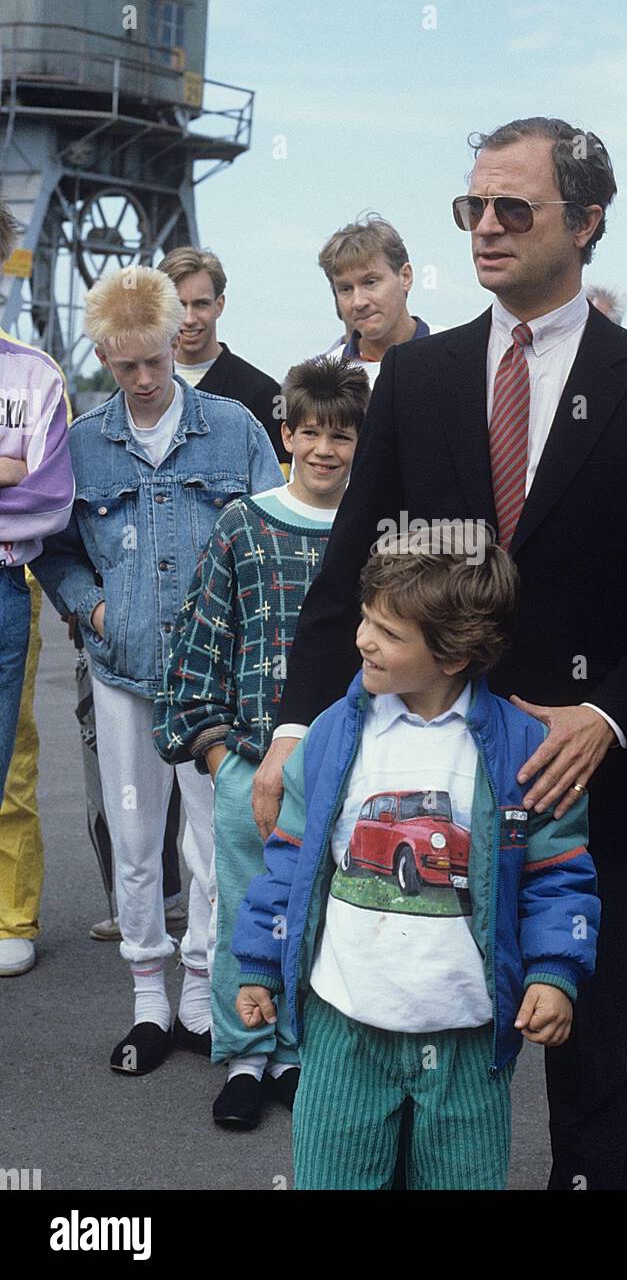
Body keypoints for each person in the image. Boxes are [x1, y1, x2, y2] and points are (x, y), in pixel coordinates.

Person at [253, 116, 627, 1190]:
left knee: (586, 1050)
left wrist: (606, 719)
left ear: (588, 220)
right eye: (473, 205)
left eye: (515, 207)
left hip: (574, 776)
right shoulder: (415, 379)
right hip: (407, 777)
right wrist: (293, 730)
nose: (486, 226)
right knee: (395, 1038)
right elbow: (345, 582)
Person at [233, 535, 600, 1189]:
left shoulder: (524, 748)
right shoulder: (328, 738)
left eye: (388, 632)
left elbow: (558, 874)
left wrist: (554, 971)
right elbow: (287, 863)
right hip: (343, 1026)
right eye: (366, 619)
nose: (364, 640)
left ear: (454, 654)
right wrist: (260, 960)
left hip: (466, 1035)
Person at [33, 265, 283, 1073]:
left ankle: (199, 995)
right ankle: (146, 997)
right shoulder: (84, 444)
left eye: (153, 360)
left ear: (178, 339)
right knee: (136, 838)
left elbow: (268, 532)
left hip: (212, 677)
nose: (141, 380)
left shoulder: (236, 428)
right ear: (104, 353)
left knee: (212, 844)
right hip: (122, 670)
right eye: (123, 364)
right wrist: (92, 609)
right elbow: (56, 548)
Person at [154, 357, 370, 1128]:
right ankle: (246, 1053)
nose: (323, 449)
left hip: (350, 765)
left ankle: (299, 1055)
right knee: (248, 908)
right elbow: (198, 648)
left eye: (341, 436)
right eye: (309, 431)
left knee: (328, 910)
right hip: (253, 764)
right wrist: (218, 757)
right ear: (285, 433)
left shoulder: (375, 532)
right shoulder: (245, 523)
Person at [0, 198, 74, 977]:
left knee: (9, 756)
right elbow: (16, 476)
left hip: (4, 585)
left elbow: (48, 499)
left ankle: (8, 915)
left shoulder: (33, 373)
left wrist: (19, 474)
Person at [158, 246, 288, 468]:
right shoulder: (136, 392)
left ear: (219, 305)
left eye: (201, 304)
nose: (189, 318)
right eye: (178, 305)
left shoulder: (264, 394)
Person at [319, 215, 439, 387]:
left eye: (370, 282)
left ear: (405, 277)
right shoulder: (323, 379)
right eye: (346, 289)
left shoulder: (458, 354)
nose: (358, 302)